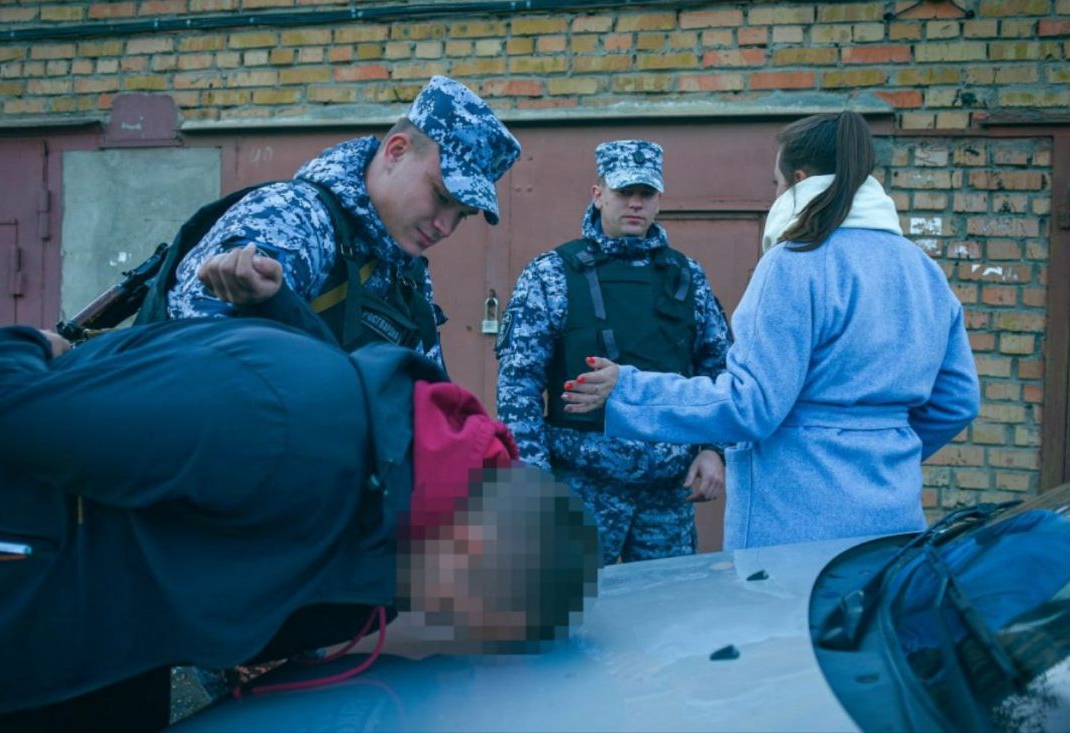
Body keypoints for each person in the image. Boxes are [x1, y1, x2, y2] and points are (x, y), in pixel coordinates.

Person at [0, 314, 597, 732]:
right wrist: (29, 344)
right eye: (468, 616)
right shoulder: (266, 416)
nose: (444, 624)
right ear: (479, 547)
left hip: (106, 655)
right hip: (7, 609)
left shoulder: (403, 507)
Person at [565, 112, 981, 551]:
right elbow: (957, 401)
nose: (776, 196)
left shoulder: (796, 263)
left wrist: (629, 389)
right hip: (895, 519)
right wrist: (880, 448)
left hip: (795, 523)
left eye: (777, 185)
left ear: (799, 181)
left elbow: (752, 405)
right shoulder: (923, 270)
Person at [164, 75, 521, 370]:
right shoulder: (293, 216)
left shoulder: (404, 271)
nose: (446, 227)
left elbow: (423, 400)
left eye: (461, 215)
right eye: (441, 197)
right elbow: (200, 366)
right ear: (396, 151)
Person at [495, 140, 732, 565]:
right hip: (581, 489)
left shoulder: (687, 276)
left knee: (668, 604)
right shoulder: (553, 273)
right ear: (598, 194)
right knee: (569, 604)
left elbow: (719, 369)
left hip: (667, 495)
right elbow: (518, 387)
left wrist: (714, 449)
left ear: (659, 200)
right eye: (624, 192)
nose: (636, 203)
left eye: (646, 193)